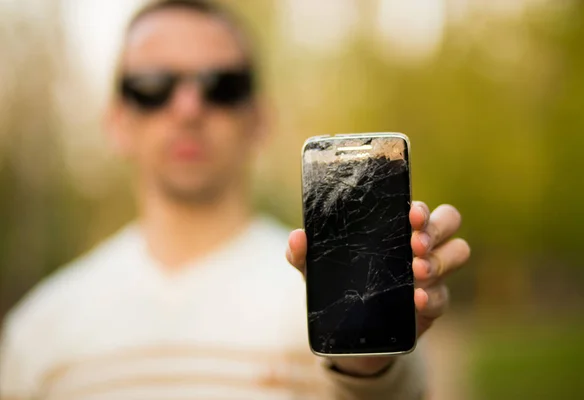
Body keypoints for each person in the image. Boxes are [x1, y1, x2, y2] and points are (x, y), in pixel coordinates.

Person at [0, 1, 471, 399]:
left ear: (260, 119)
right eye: (152, 88)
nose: (188, 107)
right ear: (116, 122)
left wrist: (369, 372)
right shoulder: (38, 332)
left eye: (221, 86)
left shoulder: (326, 298)